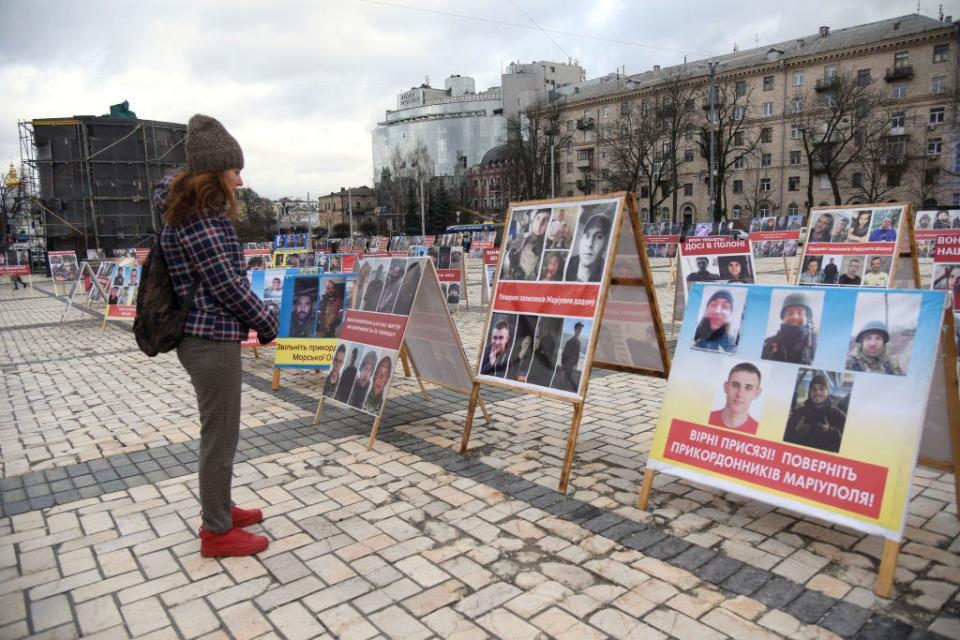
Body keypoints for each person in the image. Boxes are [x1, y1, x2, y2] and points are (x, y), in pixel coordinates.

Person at [157, 114, 277, 557]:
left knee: (220, 433)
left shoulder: (190, 212)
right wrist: (268, 324)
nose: (240, 180)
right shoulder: (201, 219)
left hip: (204, 334)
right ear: (214, 172)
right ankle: (217, 532)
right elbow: (226, 284)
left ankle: (221, 508)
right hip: (209, 338)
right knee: (221, 436)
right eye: (234, 170)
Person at [783, 372, 846, 453]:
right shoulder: (799, 414)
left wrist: (830, 432)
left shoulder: (839, 416)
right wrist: (797, 432)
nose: (817, 393)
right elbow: (785, 442)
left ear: (828, 391)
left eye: (822, 389)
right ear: (809, 392)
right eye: (813, 389)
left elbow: (846, 448)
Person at [761, 292, 817, 364]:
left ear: (807, 318)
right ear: (783, 318)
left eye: (800, 313)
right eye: (789, 313)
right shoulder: (769, 343)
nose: (794, 317)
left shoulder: (816, 344)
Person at [708, 363, 762, 435]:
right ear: (726, 387)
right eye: (735, 385)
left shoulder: (759, 432)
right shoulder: (704, 418)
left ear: (757, 393)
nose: (739, 394)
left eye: (748, 388)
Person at [565, 209, 611, 282]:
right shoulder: (565, 265)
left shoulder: (607, 274)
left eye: (598, 237)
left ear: (606, 244)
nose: (590, 244)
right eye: (587, 235)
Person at [504, 209, 549, 280]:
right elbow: (515, 244)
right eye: (538, 218)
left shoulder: (543, 244)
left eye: (546, 220)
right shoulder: (526, 234)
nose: (540, 224)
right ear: (533, 220)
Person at [552, 322, 584, 391]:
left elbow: (577, 355)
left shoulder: (579, 342)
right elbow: (564, 354)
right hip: (567, 365)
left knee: (567, 381)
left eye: (581, 329)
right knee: (562, 380)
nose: (580, 331)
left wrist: (576, 364)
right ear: (575, 329)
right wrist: (564, 366)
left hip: (572, 365)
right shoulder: (569, 342)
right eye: (579, 329)